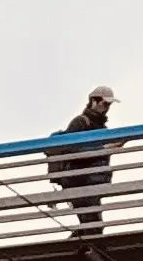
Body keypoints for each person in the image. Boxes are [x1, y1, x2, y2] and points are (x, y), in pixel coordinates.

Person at [48, 85, 116, 238]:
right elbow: (71, 151)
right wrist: (104, 147)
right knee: (93, 225)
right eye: (105, 103)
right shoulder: (80, 122)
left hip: (93, 182)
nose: (107, 108)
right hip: (79, 180)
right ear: (93, 101)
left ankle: (78, 248)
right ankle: (78, 251)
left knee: (92, 224)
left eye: (109, 105)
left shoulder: (102, 128)